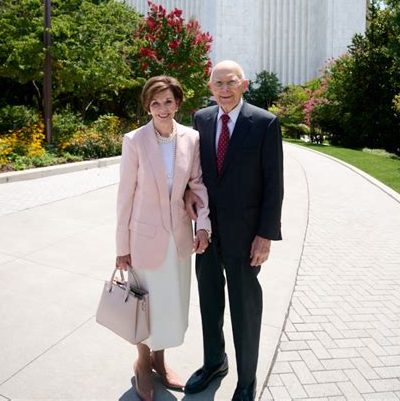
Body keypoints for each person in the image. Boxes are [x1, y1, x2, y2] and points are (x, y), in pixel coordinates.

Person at [184, 60, 284, 401]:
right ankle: (214, 362)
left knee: (245, 309)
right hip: (207, 232)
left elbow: (274, 184)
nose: (224, 89)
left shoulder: (265, 123)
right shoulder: (201, 118)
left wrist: (266, 235)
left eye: (231, 82)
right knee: (209, 303)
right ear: (210, 87)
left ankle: (246, 381)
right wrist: (187, 197)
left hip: (246, 236)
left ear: (244, 84)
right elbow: (194, 171)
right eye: (218, 83)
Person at [115, 75, 211, 401]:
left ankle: (160, 361)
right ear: (147, 106)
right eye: (155, 102)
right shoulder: (134, 140)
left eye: (168, 101)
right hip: (143, 240)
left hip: (180, 239)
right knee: (145, 306)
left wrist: (204, 226)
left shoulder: (192, 138)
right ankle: (143, 362)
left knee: (171, 306)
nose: (162, 108)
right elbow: (124, 197)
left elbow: (197, 186)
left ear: (178, 103)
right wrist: (121, 248)